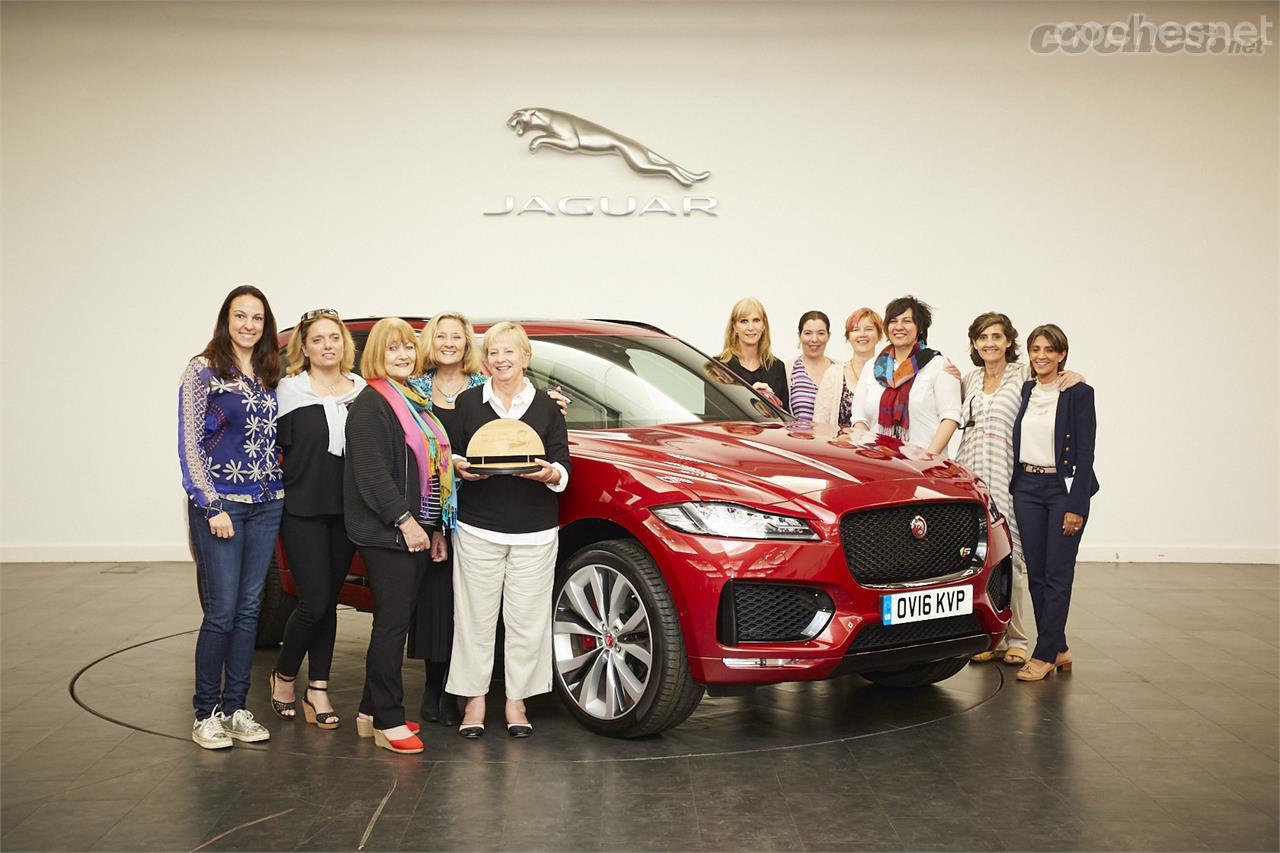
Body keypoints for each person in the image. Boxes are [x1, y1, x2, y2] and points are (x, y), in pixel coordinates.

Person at [447, 321, 571, 739]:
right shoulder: (467, 404)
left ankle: (517, 701)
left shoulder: (548, 408)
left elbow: (562, 465)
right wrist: (460, 469)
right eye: (494, 353)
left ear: (526, 357)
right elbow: (450, 459)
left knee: (527, 622)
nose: (501, 360)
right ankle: (474, 700)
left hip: (535, 531)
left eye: (509, 352)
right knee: (474, 620)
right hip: (478, 527)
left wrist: (551, 473)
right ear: (485, 360)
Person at [179, 285, 284, 750]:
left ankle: (236, 707)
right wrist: (210, 504)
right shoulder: (202, 370)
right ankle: (206, 713)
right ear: (226, 319)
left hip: (267, 503)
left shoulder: (268, 370)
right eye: (240, 316)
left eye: (257, 318)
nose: (248, 325)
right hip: (221, 505)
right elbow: (189, 445)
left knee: (248, 611)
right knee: (220, 613)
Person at [344, 318, 452, 754]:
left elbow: (429, 470)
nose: (403, 355)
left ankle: (371, 712)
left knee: (396, 621)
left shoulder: (410, 401)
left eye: (408, 348)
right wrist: (406, 522)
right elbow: (372, 475)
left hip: (415, 529)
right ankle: (389, 722)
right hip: (387, 532)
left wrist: (434, 527)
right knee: (390, 626)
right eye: (393, 349)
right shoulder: (371, 404)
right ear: (376, 356)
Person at [955, 313, 1081, 667]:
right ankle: (993, 634)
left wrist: (1077, 376)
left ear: (1009, 341)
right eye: (982, 338)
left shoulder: (1022, 374)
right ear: (975, 344)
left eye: (996, 336)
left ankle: (1020, 638)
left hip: (1011, 477)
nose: (989, 343)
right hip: (975, 474)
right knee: (984, 556)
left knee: (1018, 557)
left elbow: (1054, 380)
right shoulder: (970, 379)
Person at [268, 310, 366, 729]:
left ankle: (318, 689)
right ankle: (284, 674)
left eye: (334, 338)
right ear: (303, 348)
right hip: (302, 510)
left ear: (345, 344)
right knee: (315, 602)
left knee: (331, 604)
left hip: (347, 512)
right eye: (318, 339)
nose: (328, 345)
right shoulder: (287, 391)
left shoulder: (361, 390)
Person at [405, 312, 486, 728]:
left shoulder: (483, 388)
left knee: (470, 602)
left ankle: (462, 687)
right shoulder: (414, 388)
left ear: (467, 343)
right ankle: (433, 686)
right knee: (434, 600)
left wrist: (556, 402)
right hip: (429, 506)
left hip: (478, 507)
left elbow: (516, 420)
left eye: (457, 336)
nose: (449, 343)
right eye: (441, 336)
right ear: (430, 342)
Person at [1010, 324, 1098, 682]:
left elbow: (1086, 451)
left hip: (1062, 489)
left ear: (1062, 354)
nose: (1041, 356)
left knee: (1058, 576)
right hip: (1027, 486)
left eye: (1049, 350)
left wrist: (1077, 505)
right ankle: (1059, 647)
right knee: (1038, 575)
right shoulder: (1028, 389)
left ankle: (1044, 654)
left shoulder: (1078, 391)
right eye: (1036, 349)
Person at [850, 295, 962, 455]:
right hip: (879, 463)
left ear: (920, 327)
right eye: (893, 321)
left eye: (907, 321)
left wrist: (929, 458)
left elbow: (950, 416)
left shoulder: (938, 365)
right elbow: (859, 417)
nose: (899, 326)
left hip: (925, 465)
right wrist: (870, 451)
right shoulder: (873, 367)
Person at [814, 307, 883, 427]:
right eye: (856, 330)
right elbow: (820, 422)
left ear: (879, 335)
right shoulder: (833, 374)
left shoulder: (889, 374)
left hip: (877, 445)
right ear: (848, 336)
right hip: (836, 445)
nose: (862, 334)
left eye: (869, 329)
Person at [717, 297, 788, 411]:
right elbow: (715, 416)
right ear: (734, 326)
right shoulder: (719, 366)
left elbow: (785, 417)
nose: (751, 327)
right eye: (744, 321)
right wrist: (750, 398)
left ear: (764, 325)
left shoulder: (777, 367)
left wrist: (772, 401)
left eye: (756, 320)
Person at [787, 311, 834, 421]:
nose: (814, 339)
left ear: (829, 336)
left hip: (831, 438)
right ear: (799, 335)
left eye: (821, 333)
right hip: (796, 437)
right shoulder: (787, 370)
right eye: (808, 333)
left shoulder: (840, 370)